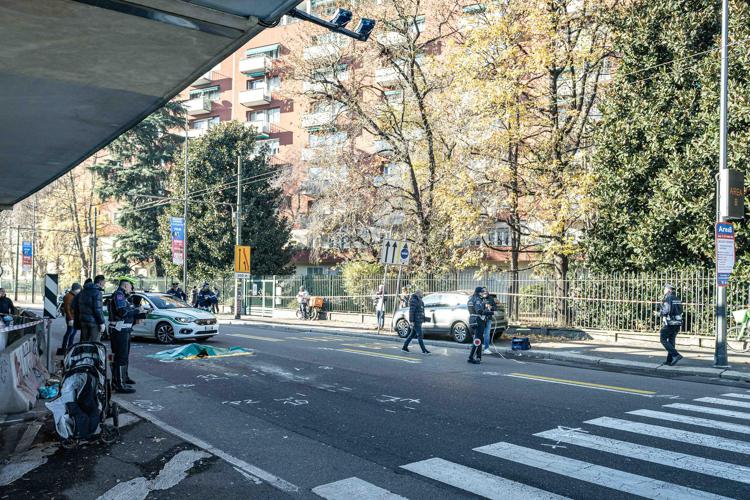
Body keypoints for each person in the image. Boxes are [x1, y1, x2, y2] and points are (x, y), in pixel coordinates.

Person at [108, 277, 137, 393]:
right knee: (121, 356)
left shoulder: (124, 296)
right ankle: (119, 384)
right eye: (130, 286)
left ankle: (122, 378)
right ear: (125, 286)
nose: (131, 288)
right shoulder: (119, 295)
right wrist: (137, 311)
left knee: (123, 356)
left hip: (124, 330)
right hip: (119, 331)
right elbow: (122, 312)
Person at [659, 284, 683, 366]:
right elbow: (681, 310)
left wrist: (660, 313)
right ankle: (669, 360)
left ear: (669, 290)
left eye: (665, 289)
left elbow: (667, 310)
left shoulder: (668, 297)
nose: (664, 291)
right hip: (678, 322)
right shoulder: (677, 298)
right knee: (671, 340)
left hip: (670, 322)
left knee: (663, 339)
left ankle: (676, 355)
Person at [78, 275, 106, 343]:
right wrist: (102, 323)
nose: (104, 284)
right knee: (94, 343)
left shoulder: (83, 291)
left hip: (83, 321)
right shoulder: (97, 293)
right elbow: (98, 309)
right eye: (104, 282)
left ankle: (83, 353)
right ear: (100, 282)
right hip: (94, 322)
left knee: (84, 342)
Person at [402, 289, 430, 354]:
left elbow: (420, 311)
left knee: (412, 335)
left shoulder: (419, 300)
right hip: (416, 321)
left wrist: (424, 319)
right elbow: (411, 311)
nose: (423, 294)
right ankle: (424, 350)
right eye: (422, 293)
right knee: (420, 335)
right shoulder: (414, 300)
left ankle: (404, 347)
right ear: (418, 293)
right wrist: (411, 321)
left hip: (418, 320)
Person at [58, 283, 82, 354]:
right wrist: (71, 319)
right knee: (69, 333)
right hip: (71, 318)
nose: (80, 291)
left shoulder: (72, 295)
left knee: (72, 333)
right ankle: (64, 348)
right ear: (76, 289)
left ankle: (69, 347)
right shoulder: (69, 296)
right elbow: (67, 308)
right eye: (79, 289)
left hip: (72, 317)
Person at [467, 287, 488, 364]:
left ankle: (478, 357)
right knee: (477, 340)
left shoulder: (470, 299)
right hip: (478, 320)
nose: (483, 293)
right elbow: (479, 311)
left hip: (472, 320)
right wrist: (489, 312)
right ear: (479, 292)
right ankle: (471, 357)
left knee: (478, 339)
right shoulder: (478, 300)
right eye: (482, 292)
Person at [481, 288, 497, 354]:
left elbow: (495, 307)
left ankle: (486, 348)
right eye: (483, 291)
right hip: (481, 319)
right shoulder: (479, 298)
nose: (485, 292)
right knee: (479, 333)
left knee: (487, 334)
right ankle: (477, 347)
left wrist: (491, 307)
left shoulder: (490, 298)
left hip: (488, 319)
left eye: (486, 291)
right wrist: (484, 306)